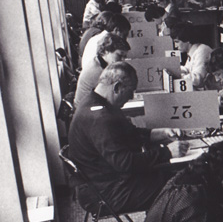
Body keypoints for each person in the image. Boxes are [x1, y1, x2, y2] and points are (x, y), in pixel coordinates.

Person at [67, 62, 183, 212]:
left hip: (103, 183)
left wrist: (159, 133)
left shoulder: (95, 102)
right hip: (106, 194)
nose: (131, 96)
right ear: (117, 88)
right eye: (131, 91)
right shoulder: (100, 117)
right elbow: (125, 163)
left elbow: (128, 134)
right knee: (179, 185)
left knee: (166, 176)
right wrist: (167, 152)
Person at [74, 33, 129, 108]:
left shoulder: (98, 62)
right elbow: (111, 98)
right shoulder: (96, 70)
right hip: (86, 110)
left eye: (124, 57)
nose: (123, 60)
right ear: (106, 51)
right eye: (119, 55)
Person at [174, 22, 215, 89]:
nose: (176, 46)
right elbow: (187, 69)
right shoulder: (193, 51)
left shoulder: (202, 51)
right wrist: (175, 70)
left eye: (177, 42)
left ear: (187, 40)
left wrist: (178, 76)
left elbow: (197, 80)